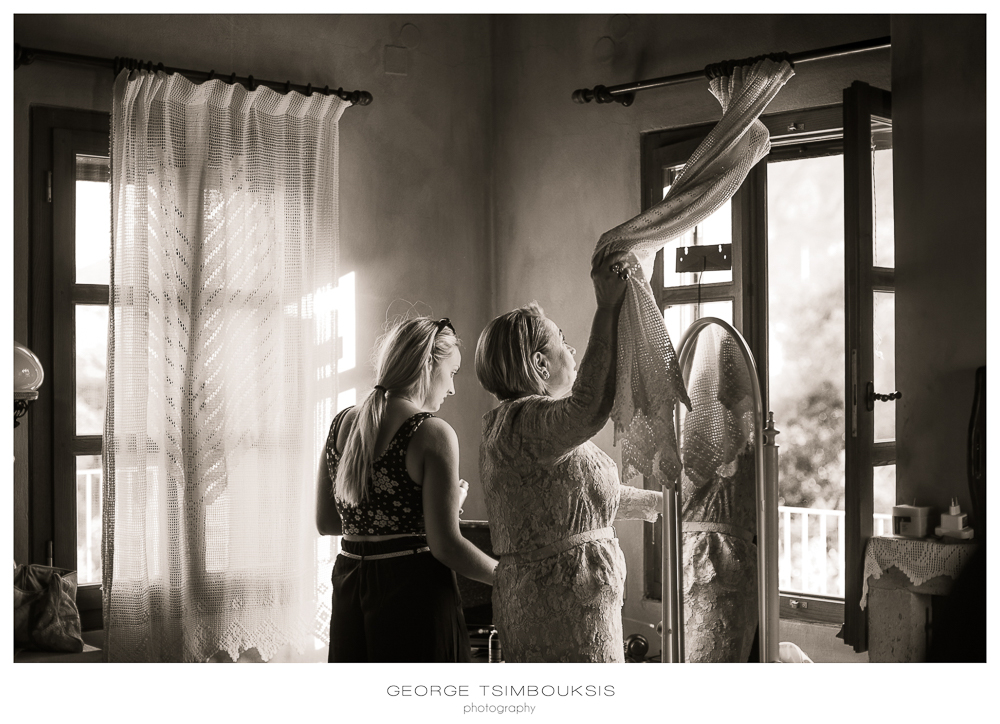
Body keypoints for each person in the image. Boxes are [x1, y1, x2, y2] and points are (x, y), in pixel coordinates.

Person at [475, 254, 663, 663]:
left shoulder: (536, 428)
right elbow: (590, 405)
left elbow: (587, 498)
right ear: (540, 363)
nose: (572, 347)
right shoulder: (521, 424)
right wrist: (607, 306)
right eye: (561, 338)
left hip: (580, 604)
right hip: (556, 611)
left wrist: (662, 504)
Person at [316, 317, 497, 663]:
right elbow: (446, 546)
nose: (453, 388)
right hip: (412, 597)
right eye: (453, 372)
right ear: (429, 363)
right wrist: (503, 577)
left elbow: (327, 522)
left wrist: (426, 512)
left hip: (352, 591)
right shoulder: (432, 433)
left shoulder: (341, 423)